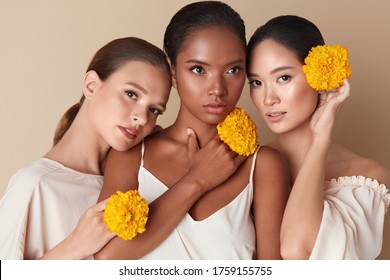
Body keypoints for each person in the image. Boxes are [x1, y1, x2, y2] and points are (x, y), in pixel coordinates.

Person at [95, 1, 290, 260]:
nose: (218, 89)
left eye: (233, 70)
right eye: (198, 69)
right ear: (172, 71)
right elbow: (105, 260)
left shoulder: (263, 165)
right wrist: (196, 181)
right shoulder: (132, 154)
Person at [0, 37, 172, 259]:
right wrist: (75, 245)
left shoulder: (137, 182)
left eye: (154, 110)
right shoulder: (35, 184)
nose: (141, 118)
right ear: (91, 85)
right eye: (131, 94)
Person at [246, 15, 390, 259]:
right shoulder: (246, 167)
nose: (268, 98)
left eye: (283, 78)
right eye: (257, 82)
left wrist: (320, 139)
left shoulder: (367, 181)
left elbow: (298, 249)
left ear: (319, 74)